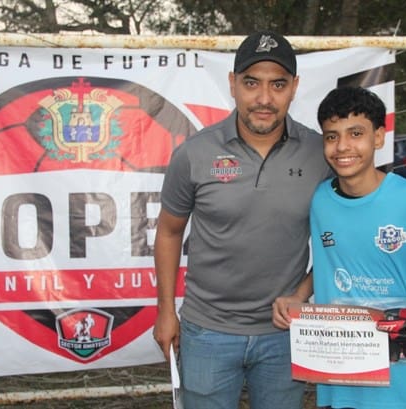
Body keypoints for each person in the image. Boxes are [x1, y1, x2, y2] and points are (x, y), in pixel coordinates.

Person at [152, 31, 332, 409]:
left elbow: (344, 237)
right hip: (207, 332)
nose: (264, 98)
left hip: (284, 333)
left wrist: (302, 294)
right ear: (232, 84)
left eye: (277, 84)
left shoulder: (321, 154)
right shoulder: (195, 154)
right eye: (252, 83)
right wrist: (166, 312)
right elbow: (169, 233)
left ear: (294, 87)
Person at [307, 86, 406, 409]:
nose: (342, 147)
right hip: (344, 369)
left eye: (356, 133)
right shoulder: (319, 200)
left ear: (379, 137)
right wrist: (294, 298)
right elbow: (326, 264)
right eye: (331, 136)